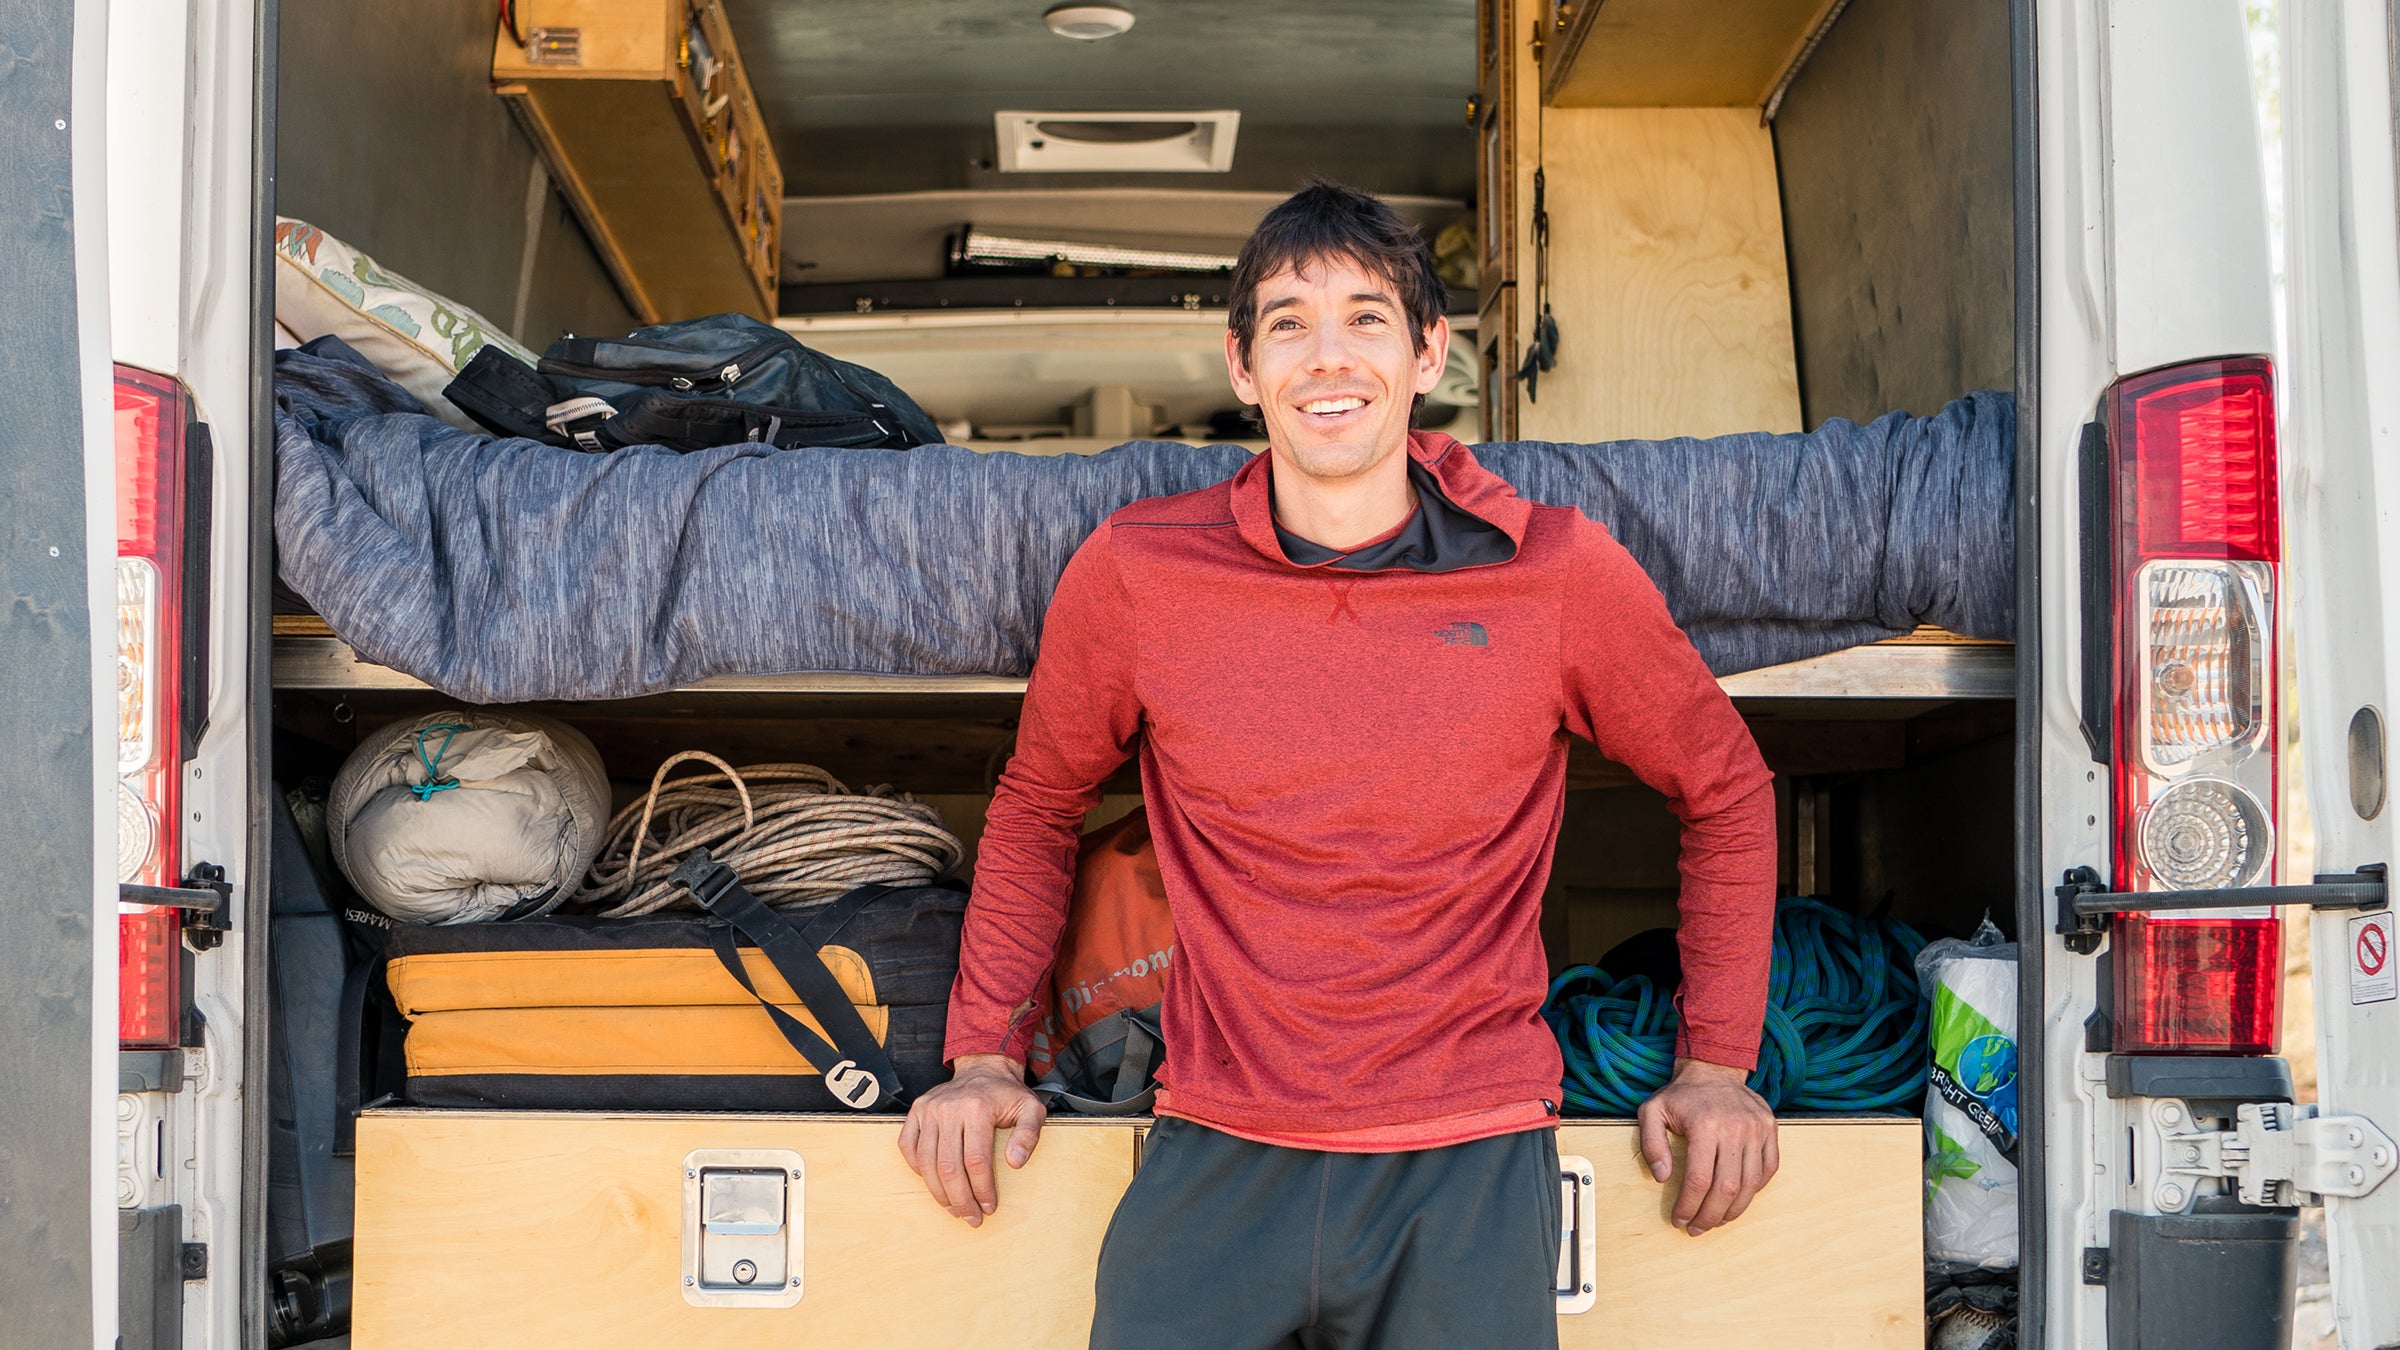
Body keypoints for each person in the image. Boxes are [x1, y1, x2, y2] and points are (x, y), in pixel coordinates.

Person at [898, 179, 1781, 1348]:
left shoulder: (1557, 573)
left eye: (1367, 319)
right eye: (1288, 323)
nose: (1329, 357)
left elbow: (1725, 787)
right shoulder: (1138, 574)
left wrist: (1717, 1064)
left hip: (1467, 1167)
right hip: (1215, 1150)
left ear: (1429, 356)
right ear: (1242, 365)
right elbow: (1037, 801)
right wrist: (981, 1057)